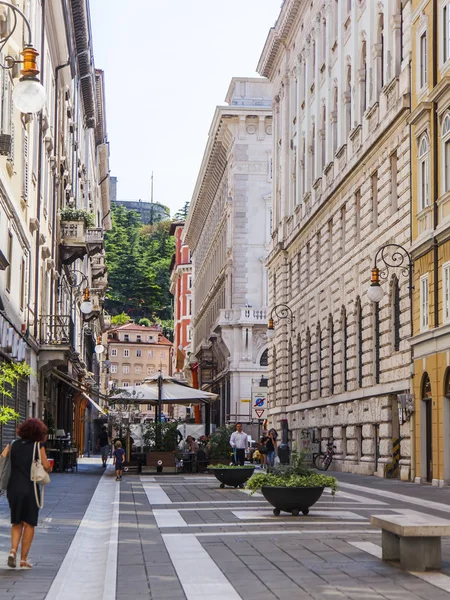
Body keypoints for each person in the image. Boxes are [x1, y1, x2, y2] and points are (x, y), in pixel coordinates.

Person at [1, 418, 52, 569]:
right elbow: (46, 465)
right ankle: (23, 559)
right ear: (39, 432)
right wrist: (48, 469)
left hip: (12, 487)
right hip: (30, 487)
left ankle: (12, 551)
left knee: (16, 521)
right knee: (29, 523)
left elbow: (2, 459)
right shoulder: (38, 445)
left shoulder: (13, 444)